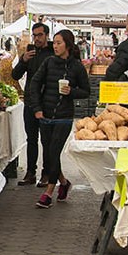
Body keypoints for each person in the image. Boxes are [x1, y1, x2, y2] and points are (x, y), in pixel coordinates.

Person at [29, 29, 90, 208]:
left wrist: (72, 92)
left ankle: (48, 193)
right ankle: (63, 183)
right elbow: (35, 83)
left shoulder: (77, 67)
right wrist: (37, 108)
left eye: (58, 43)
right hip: (46, 114)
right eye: (54, 43)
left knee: (54, 152)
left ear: (68, 45)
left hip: (64, 117)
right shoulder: (48, 63)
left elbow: (86, 91)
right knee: (49, 154)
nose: (55, 46)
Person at [11, 23, 54, 187]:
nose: (37, 38)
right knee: (31, 139)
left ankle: (46, 173)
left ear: (47, 35)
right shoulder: (29, 52)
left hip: (46, 103)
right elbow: (15, 75)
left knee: (46, 140)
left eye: (40, 35)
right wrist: (23, 60)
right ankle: (30, 173)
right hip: (30, 102)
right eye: (34, 35)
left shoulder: (52, 52)